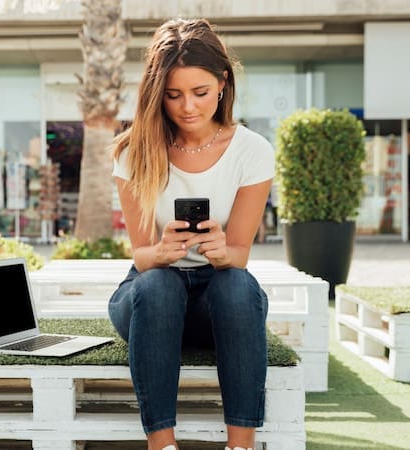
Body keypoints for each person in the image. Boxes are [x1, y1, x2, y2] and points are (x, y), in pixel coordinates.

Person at [108, 18, 274, 450]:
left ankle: (241, 444)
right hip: (148, 302)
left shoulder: (252, 151)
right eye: (173, 94)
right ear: (156, 93)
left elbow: (239, 256)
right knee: (160, 283)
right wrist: (162, 250)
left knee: (237, 284)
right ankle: (162, 444)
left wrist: (222, 251)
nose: (187, 107)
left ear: (222, 83)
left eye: (199, 93)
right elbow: (142, 258)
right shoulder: (134, 151)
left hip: (215, 304)